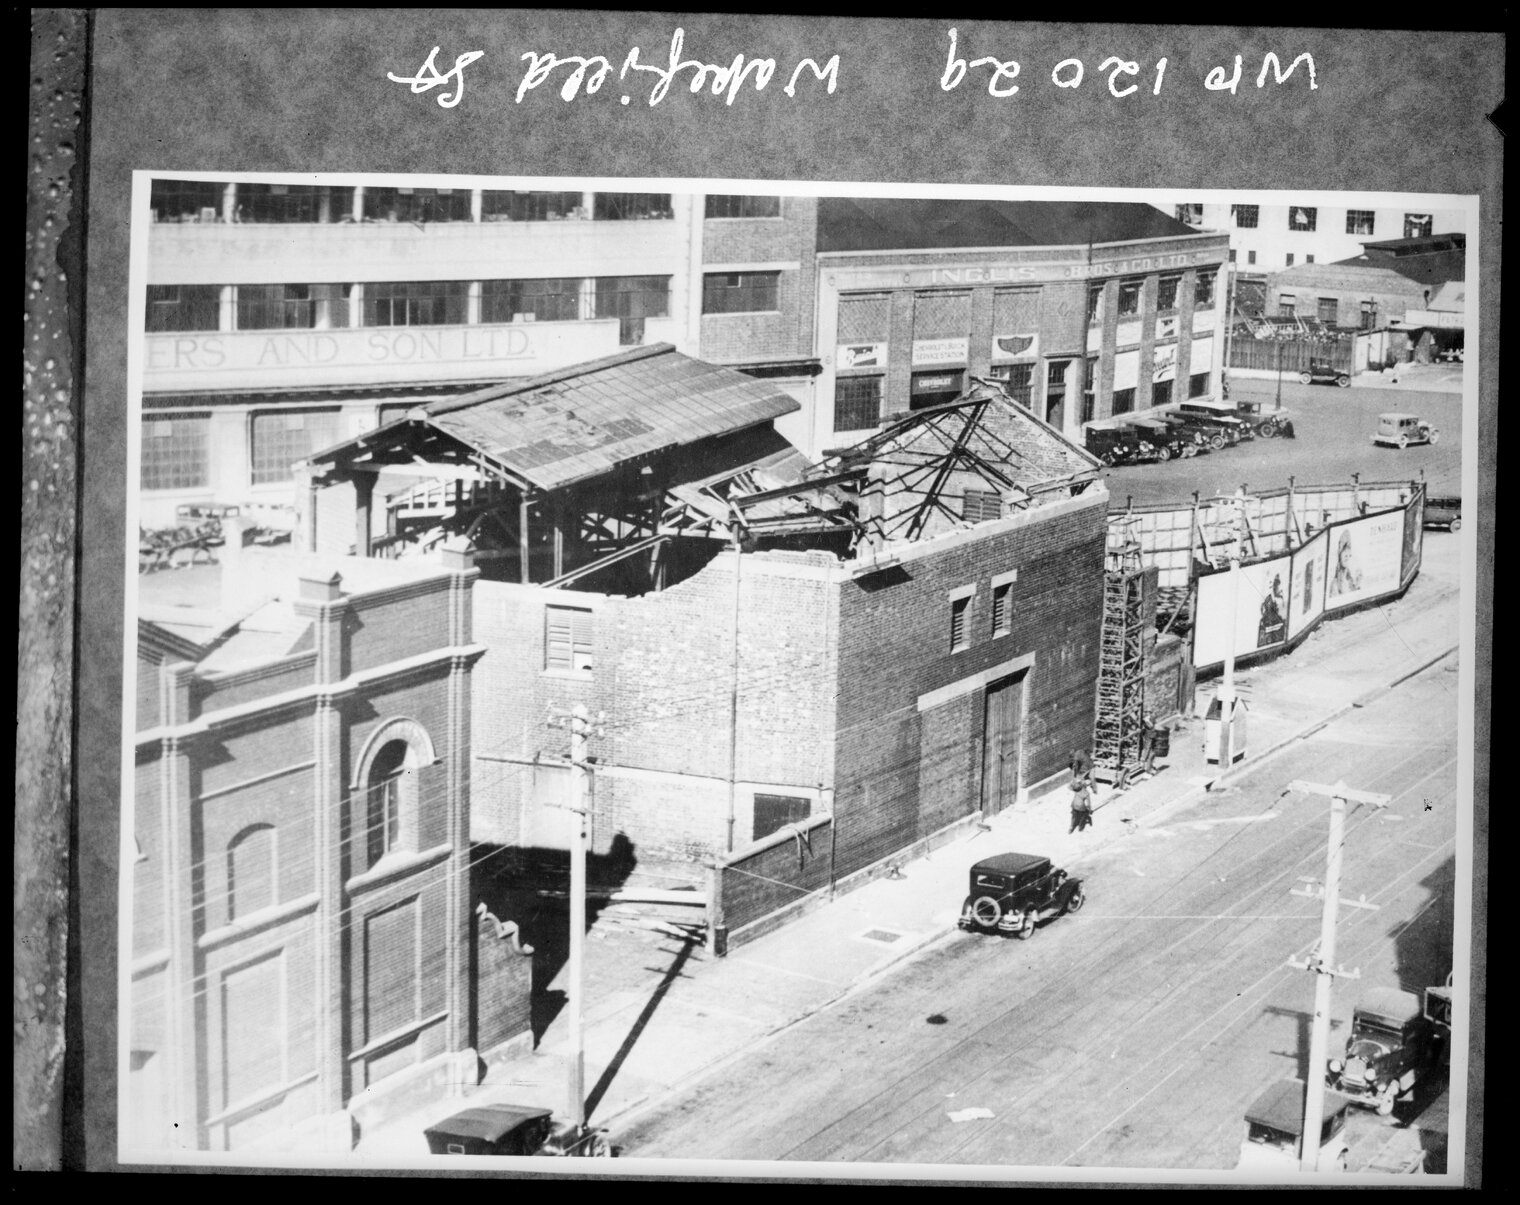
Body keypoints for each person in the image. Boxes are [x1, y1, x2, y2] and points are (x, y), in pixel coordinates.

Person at [1069, 769, 1095, 834]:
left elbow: (1070, 787)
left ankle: (1071, 828)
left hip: (1074, 805)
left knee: (1073, 817)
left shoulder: (1077, 788)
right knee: (1083, 815)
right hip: (1080, 806)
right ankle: (1080, 827)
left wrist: (1075, 782)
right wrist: (1089, 810)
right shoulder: (1087, 793)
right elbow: (1088, 804)